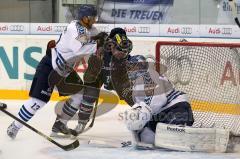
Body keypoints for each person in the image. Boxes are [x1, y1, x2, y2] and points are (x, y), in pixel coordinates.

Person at [7, 4, 107, 139]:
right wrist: (98, 44)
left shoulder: (88, 28)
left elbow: (98, 37)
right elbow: (80, 49)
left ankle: (60, 124)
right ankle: (15, 126)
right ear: (84, 18)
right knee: (38, 102)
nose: (95, 20)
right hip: (50, 67)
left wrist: (108, 40)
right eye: (93, 18)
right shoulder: (75, 28)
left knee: (79, 96)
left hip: (64, 70)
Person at [50, 27, 135, 136]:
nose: (123, 55)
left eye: (126, 52)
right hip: (99, 74)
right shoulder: (99, 52)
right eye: (120, 51)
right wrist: (95, 65)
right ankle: (65, 123)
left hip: (118, 77)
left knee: (133, 97)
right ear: (111, 46)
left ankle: (149, 120)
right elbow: (88, 78)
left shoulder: (125, 54)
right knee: (89, 94)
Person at [124, 56, 194, 146]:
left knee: (174, 137)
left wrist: (141, 115)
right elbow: (142, 106)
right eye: (130, 68)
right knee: (146, 138)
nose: (131, 71)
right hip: (160, 114)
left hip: (176, 108)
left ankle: (188, 134)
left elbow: (159, 100)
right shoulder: (136, 86)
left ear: (142, 67)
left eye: (134, 67)